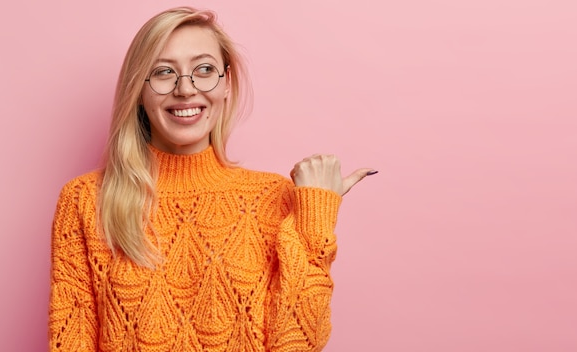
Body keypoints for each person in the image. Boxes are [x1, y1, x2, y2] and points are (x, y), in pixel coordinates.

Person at [48, 6, 376, 352]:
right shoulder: (85, 200)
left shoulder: (275, 197)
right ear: (139, 92)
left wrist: (316, 215)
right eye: (163, 72)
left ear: (226, 85)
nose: (186, 89)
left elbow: (298, 344)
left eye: (204, 69)